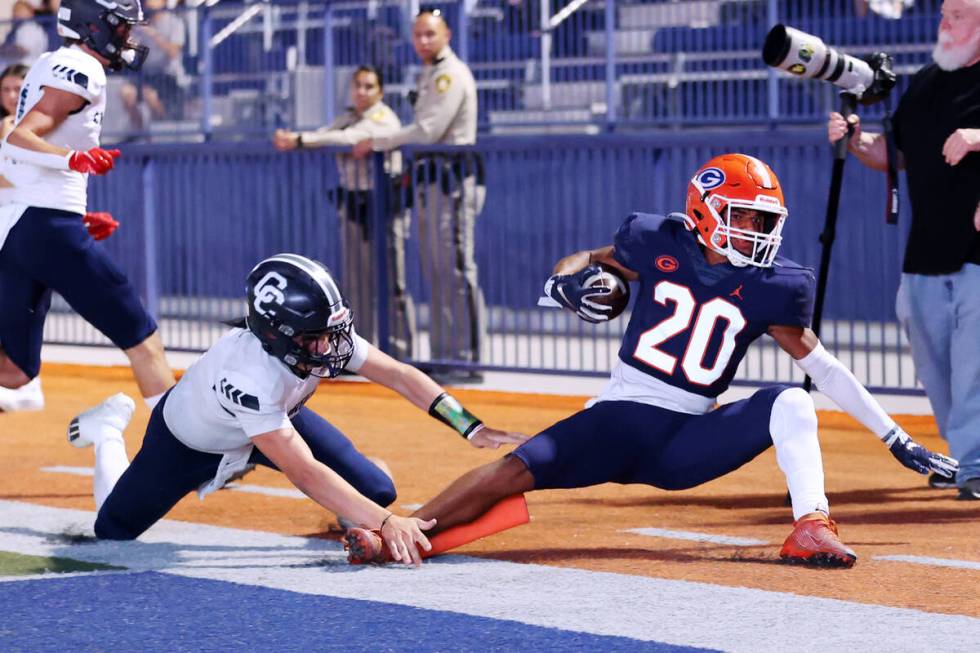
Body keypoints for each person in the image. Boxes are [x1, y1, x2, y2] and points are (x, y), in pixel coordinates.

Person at [345, 153, 958, 569]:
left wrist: (895, 436)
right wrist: (566, 284)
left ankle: (811, 525)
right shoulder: (657, 240)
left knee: (791, 399)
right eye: (741, 217)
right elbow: (582, 258)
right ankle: (406, 528)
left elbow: (822, 367)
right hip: (619, 417)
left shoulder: (777, 284)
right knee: (513, 472)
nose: (754, 231)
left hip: (685, 442)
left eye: (762, 220)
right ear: (703, 211)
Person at [68, 253, 526, 565]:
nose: (329, 347)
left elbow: (400, 375)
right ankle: (108, 430)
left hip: (273, 423)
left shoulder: (311, 339)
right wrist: (387, 523)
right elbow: (303, 472)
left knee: (377, 488)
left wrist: (470, 426)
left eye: (331, 332)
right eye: (314, 338)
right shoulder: (249, 375)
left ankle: (352, 495)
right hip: (190, 445)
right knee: (112, 531)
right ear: (275, 333)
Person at [827, 0, 980, 499]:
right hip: (925, 253)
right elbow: (895, 154)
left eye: (957, 15)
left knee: (974, 359)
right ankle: (964, 455)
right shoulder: (928, 81)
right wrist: (855, 140)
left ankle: (975, 463)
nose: (944, 25)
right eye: (943, 15)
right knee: (937, 364)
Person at [0, 0, 176, 411]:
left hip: (28, 224)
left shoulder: (54, 60)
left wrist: (70, 215)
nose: (126, 37)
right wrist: (72, 162)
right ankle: (189, 446)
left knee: (16, 370)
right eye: (119, 28)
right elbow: (20, 138)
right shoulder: (84, 67)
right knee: (142, 336)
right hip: (42, 223)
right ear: (93, 27)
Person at [352, 9, 485, 384]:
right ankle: (447, 356)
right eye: (418, 34)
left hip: (452, 181)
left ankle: (465, 358)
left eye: (430, 34)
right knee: (437, 269)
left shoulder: (450, 75)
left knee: (455, 268)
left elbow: (429, 131)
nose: (423, 41)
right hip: (432, 179)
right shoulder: (429, 73)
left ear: (447, 34)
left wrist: (379, 140)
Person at [273, 66, 416, 360]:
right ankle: (359, 353)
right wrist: (300, 139)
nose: (362, 92)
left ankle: (401, 353)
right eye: (358, 85)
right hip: (354, 204)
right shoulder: (348, 116)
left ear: (380, 91)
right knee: (356, 281)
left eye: (369, 86)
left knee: (392, 282)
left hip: (384, 206)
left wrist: (300, 140)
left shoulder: (383, 117)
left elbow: (348, 139)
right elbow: (328, 134)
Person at [0, 62, 44, 412]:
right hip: (7, 223)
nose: (12, 96)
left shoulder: (44, 131)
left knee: (26, 306)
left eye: (19, 89)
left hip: (25, 226)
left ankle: (28, 386)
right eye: (6, 90)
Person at [119, 0, 188, 133]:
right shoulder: (141, 24)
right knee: (126, 93)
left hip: (169, 76)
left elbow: (174, 52)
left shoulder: (175, 22)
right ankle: (140, 132)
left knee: (149, 94)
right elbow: (132, 51)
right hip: (147, 75)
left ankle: (162, 128)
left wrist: (154, 34)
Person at [0, 1, 48, 69]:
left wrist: (4, 49)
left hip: (23, 71)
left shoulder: (30, 28)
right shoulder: (18, 29)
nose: (16, 14)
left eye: (19, 10)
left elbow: (23, 50)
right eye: (14, 11)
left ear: (30, 13)